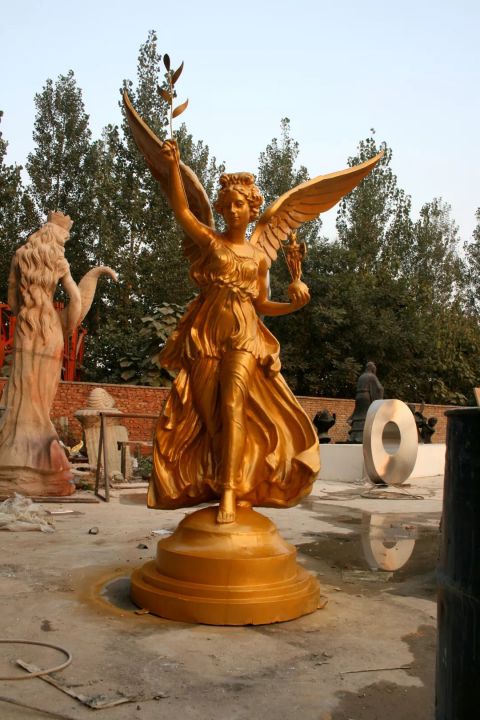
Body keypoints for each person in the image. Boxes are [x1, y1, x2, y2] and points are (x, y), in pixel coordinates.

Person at [149, 140, 320, 523]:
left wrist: (293, 305)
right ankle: (221, 480)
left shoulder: (258, 257)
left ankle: (229, 493)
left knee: (233, 406)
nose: (232, 210)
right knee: (211, 419)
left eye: (239, 204)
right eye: (227, 205)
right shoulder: (211, 242)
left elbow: (261, 304)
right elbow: (182, 210)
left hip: (243, 336)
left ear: (251, 207)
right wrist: (174, 167)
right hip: (205, 335)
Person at [347, 361, 384, 443]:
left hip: (358, 397)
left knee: (359, 414)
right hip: (366, 397)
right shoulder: (372, 376)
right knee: (366, 415)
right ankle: (363, 435)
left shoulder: (361, 376)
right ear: (372, 368)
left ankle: (355, 435)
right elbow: (379, 388)